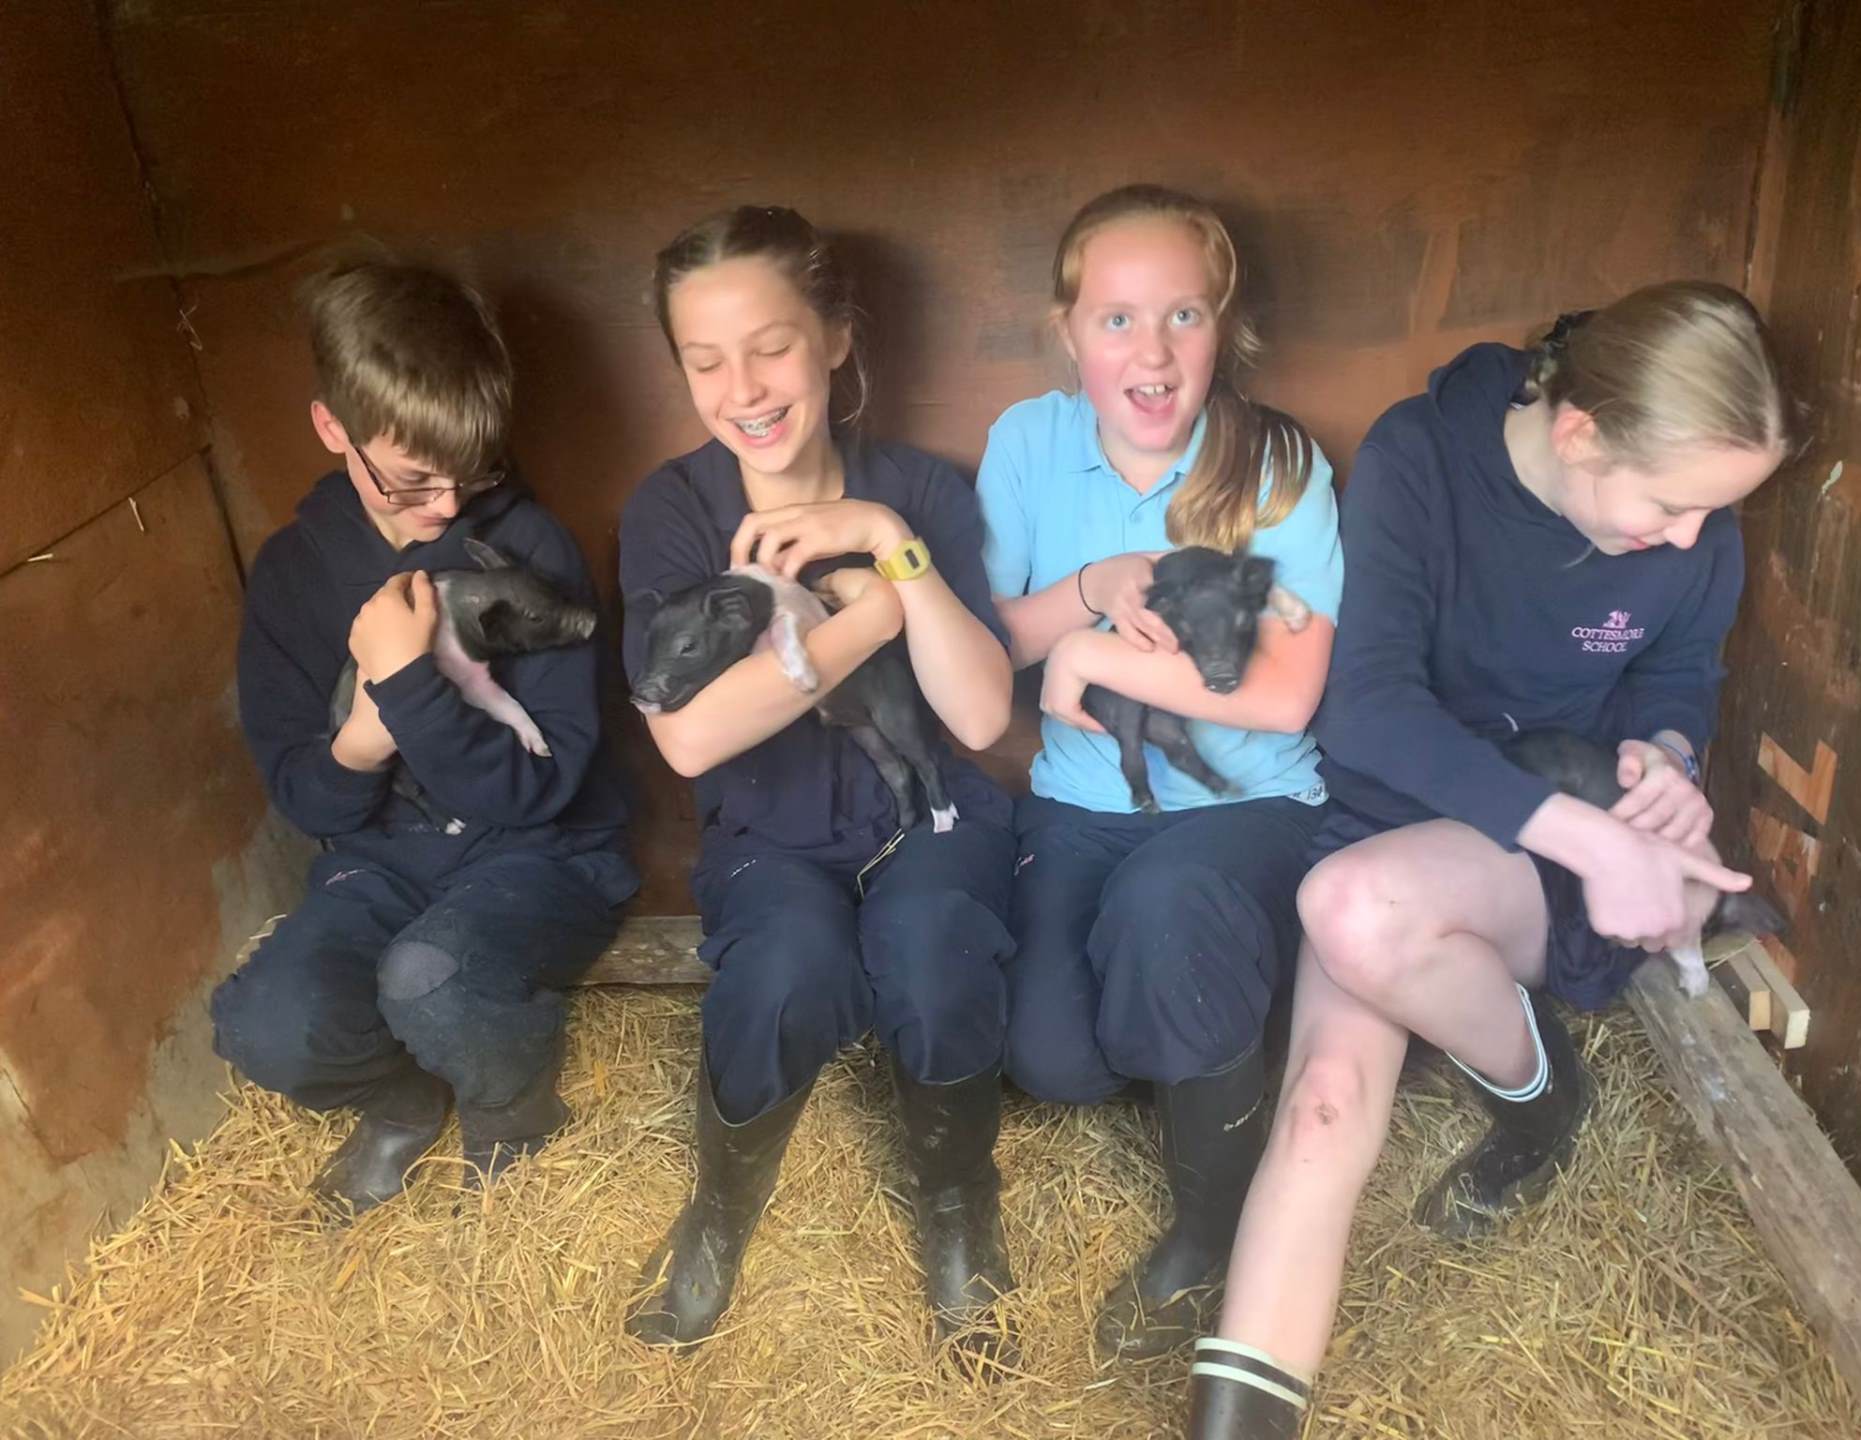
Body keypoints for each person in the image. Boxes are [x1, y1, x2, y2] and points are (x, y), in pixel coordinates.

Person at [1191, 282, 1794, 1438]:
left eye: (1708, 515)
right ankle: (1542, 1093)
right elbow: (1367, 712)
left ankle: (1536, 1107)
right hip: (1406, 809)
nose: (1688, 536)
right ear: (1577, 431)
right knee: (1321, 1103)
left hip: (1547, 838)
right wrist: (1591, 838)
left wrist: (1662, 763)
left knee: (1356, 911)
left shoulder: (1694, 525)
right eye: (1668, 506)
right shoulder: (1423, 458)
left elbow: (1679, 679)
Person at [617, 205, 1019, 1368]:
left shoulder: (918, 494)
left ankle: (956, 1208)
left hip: (929, 813)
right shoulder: (675, 513)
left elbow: (983, 713)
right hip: (770, 829)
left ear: (837, 338)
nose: (742, 384)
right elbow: (688, 739)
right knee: (782, 973)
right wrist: (875, 619)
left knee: (937, 952)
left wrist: (889, 543)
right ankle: (720, 1212)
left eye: (772, 344)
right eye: (704, 359)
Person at [975, 184, 1345, 1361]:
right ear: (1068, 330)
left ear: (1224, 328)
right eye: (1119, 320)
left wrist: (1089, 656)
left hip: (1250, 806)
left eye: (1183, 316)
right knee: (1054, 1060)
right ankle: (1212, 1024)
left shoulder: (1276, 459)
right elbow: (987, 646)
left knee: (1170, 903)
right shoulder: (1029, 442)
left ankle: (1209, 1233)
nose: (1153, 351)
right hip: (1083, 803)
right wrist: (1090, 594)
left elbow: (1287, 691)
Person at [212, 257, 639, 1216]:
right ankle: (404, 1104)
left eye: (472, 471)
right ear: (335, 429)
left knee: (427, 979)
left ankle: (512, 1106)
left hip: (543, 853)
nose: (447, 506)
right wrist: (362, 739)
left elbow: (541, 787)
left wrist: (410, 686)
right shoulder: (292, 576)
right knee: (265, 1027)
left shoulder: (523, 547)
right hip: (385, 862)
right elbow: (303, 796)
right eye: (411, 479)